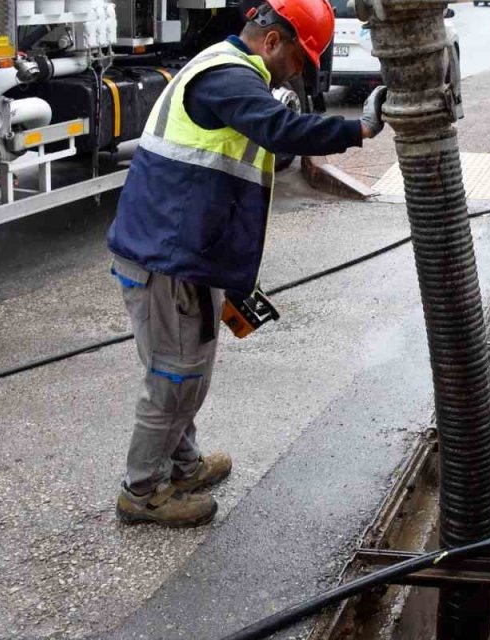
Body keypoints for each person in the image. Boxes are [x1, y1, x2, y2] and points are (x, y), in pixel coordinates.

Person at [105, 0, 388, 528]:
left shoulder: (230, 69)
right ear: (274, 41)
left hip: (187, 252)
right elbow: (280, 131)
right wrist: (360, 130)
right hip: (166, 256)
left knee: (187, 371)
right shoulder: (229, 79)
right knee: (175, 375)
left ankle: (182, 465)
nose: (302, 70)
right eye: (302, 57)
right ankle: (141, 492)